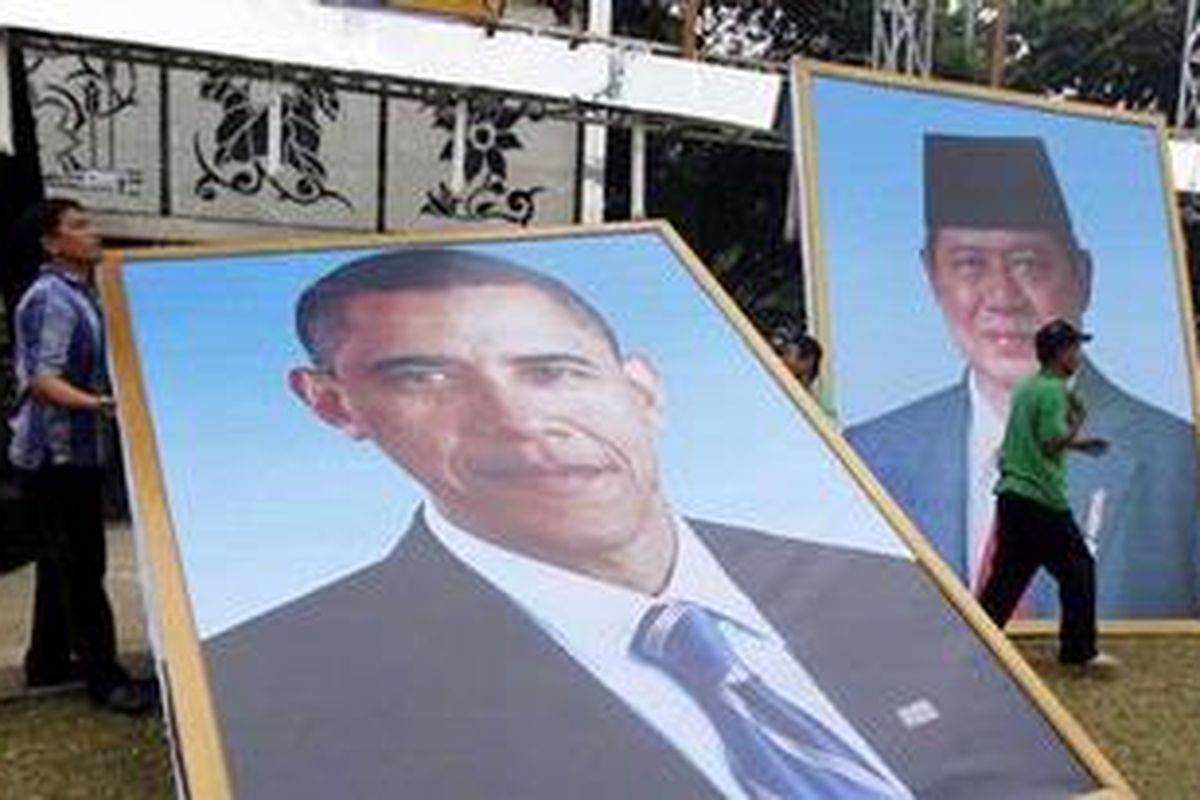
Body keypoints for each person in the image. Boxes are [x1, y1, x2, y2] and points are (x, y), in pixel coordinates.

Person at [203, 248, 1092, 799]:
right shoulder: (271, 691)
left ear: (643, 388)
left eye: (554, 370)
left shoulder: (880, 588)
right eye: (423, 378)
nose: (515, 420)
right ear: (333, 405)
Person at [847, 134, 1200, 618]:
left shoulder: (1180, 462)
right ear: (932, 277)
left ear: (1083, 275)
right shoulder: (867, 459)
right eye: (968, 264)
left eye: (1028, 264)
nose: (1002, 297)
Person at [7, 198, 152, 713]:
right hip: (56, 457)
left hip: (76, 451)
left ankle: (48, 661)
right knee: (83, 567)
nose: (93, 232)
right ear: (51, 242)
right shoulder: (51, 298)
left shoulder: (83, 292)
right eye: (79, 225)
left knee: (59, 561)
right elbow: (43, 381)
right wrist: (103, 405)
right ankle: (105, 679)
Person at [979, 319, 1117, 671]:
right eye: (1074, 347)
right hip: (1041, 500)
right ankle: (1079, 652)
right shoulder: (1054, 390)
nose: (1079, 354)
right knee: (1078, 570)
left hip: (1013, 496)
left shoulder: (1029, 388)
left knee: (1007, 579)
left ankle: (975, 642)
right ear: (1060, 353)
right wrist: (1079, 427)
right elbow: (1050, 440)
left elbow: (1034, 440)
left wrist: (1080, 440)